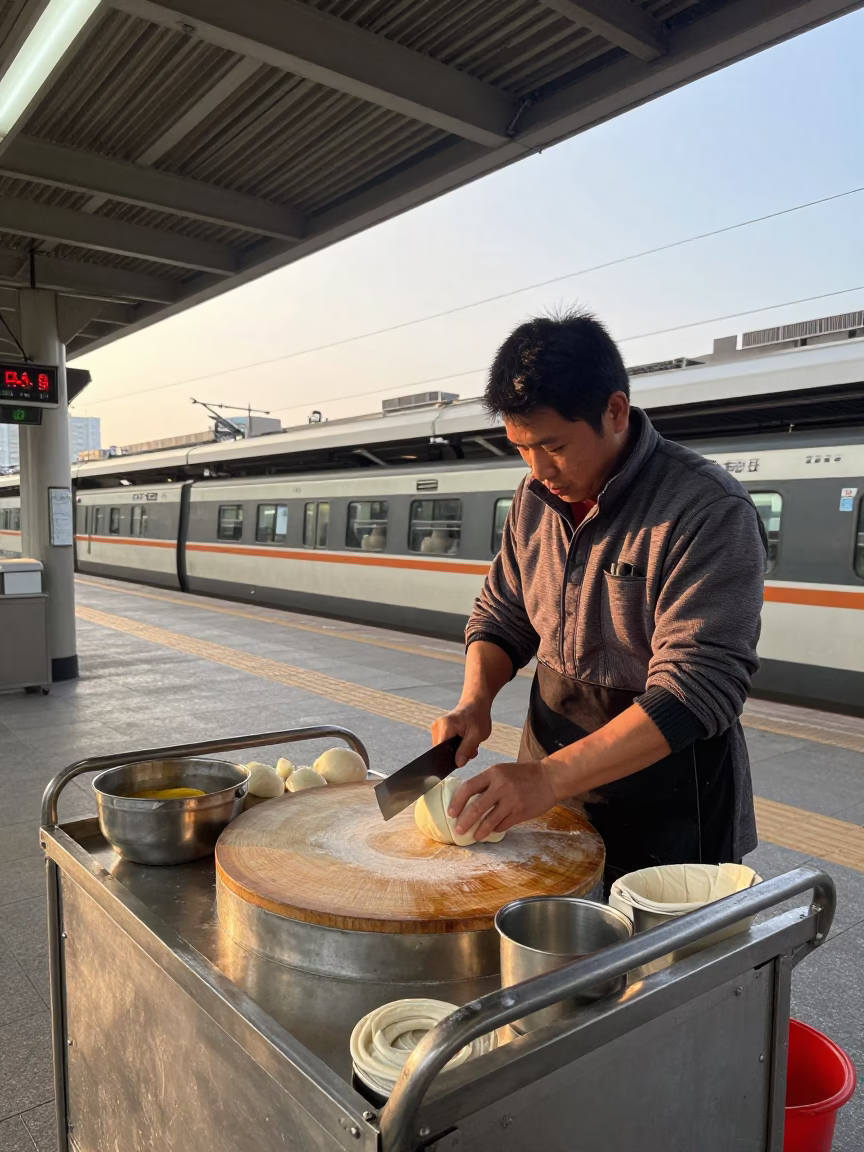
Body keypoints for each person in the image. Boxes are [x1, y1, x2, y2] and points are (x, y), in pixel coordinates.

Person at [432, 309, 766, 889]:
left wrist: (544, 779)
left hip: (670, 802)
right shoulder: (535, 498)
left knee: (655, 974)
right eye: (520, 448)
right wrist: (475, 700)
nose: (537, 470)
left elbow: (699, 688)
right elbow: (505, 611)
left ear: (614, 411)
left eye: (553, 445)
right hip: (550, 783)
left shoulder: (707, 509)